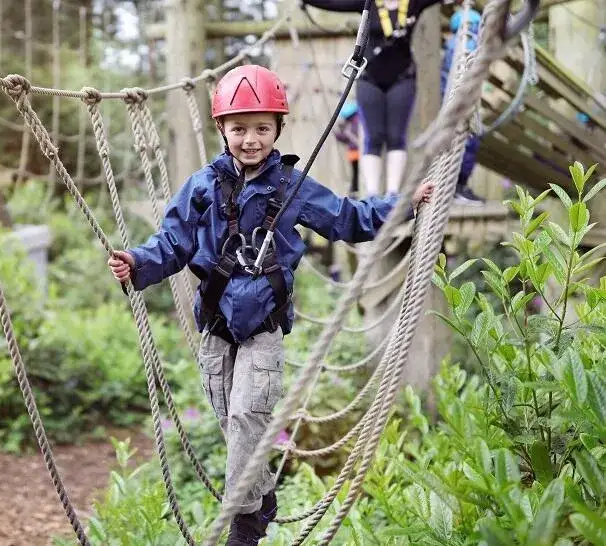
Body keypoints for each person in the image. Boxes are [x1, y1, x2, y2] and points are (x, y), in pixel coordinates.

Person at [106, 64, 434, 546]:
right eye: (239, 129)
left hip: (263, 324)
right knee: (233, 425)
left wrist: (405, 203)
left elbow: (349, 218)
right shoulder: (202, 187)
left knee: (247, 418)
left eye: (262, 128)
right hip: (216, 324)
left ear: (278, 129)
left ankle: (242, 524)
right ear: (222, 130)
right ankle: (261, 500)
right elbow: (172, 242)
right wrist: (136, 262)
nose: (251, 140)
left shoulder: (291, 188)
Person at [301, 0, 447, 197]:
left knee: (396, 136)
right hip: (369, 77)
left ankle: (393, 192)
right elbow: (333, 3)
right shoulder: (368, 2)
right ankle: (371, 194)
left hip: (403, 77)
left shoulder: (414, 2)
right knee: (373, 137)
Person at [442, 7, 486, 205]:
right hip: (461, 101)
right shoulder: (465, 45)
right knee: (468, 140)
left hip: (456, 100)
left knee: (466, 140)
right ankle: (458, 188)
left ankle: (456, 187)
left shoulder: (454, 45)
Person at [334, 101, 363, 195]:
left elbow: (346, 138)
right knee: (357, 172)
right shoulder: (359, 120)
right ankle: (355, 189)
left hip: (355, 152)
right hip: (357, 152)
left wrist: (338, 134)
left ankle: (355, 190)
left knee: (356, 173)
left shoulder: (352, 123)